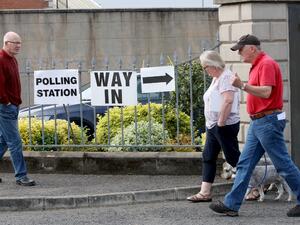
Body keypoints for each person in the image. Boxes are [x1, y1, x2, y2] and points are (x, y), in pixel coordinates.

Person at [209, 34, 300, 217]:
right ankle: (231, 204)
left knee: (282, 164)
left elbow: (266, 92)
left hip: (267, 121)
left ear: (252, 48)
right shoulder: (258, 65)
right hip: (259, 122)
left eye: (241, 50)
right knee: (244, 164)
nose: (239, 53)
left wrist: (242, 85)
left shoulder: (266, 64)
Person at [186, 50, 240, 202]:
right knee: (208, 156)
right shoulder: (216, 78)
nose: (205, 71)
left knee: (233, 157)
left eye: (205, 67)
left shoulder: (225, 77)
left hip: (223, 125)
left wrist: (221, 123)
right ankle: (205, 192)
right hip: (213, 125)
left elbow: (228, 100)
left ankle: (254, 187)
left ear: (212, 65)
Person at [0, 31, 36, 186]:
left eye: (20, 43)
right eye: (16, 43)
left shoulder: (13, 60)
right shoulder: (1, 59)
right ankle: (21, 176)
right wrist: (6, 102)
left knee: (3, 141)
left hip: (13, 106)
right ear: (7, 43)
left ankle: (21, 175)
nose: (19, 46)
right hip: (5, 107)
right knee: (15, 142)